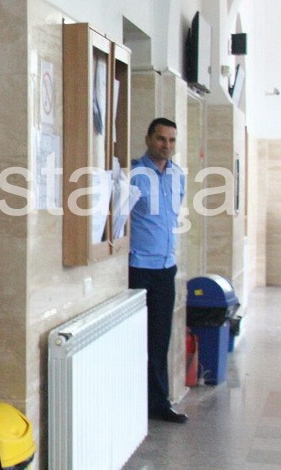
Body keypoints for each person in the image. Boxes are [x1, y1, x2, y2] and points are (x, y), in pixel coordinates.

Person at [129, 117, 188, 424]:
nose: (167, 145)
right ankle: (132, 402)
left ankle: (158, 403)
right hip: (139, 268)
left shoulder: (178, 176)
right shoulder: (134, 173)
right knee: (135, 339)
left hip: (166, 269)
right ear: (148, 138)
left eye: (172, 140)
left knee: (159, 339)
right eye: (161, 139)